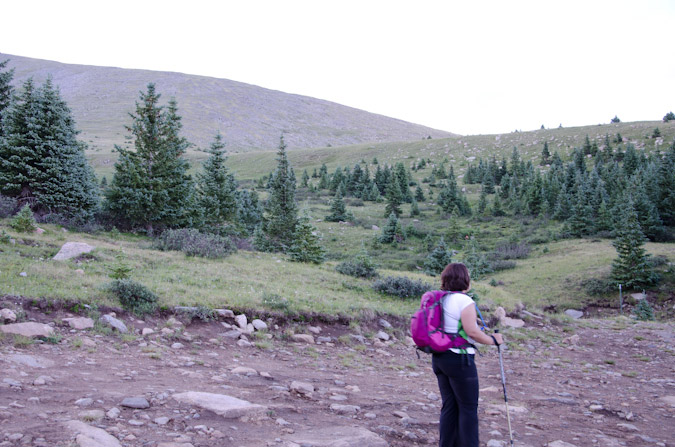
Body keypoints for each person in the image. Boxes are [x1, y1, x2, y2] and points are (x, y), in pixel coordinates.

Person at [432, 262, 504, 447]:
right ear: (465, 280)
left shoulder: (441, 298)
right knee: (468, 408)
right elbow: (472, 332)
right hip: (459, 359)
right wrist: (493, 340)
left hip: (440, 357)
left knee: (449, 405)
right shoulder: (464, 301)